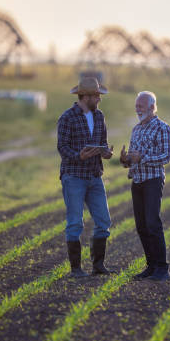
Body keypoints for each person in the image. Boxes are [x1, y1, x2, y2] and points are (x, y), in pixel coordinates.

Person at [57, 76, 114, 278]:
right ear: (86, 96)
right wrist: (78, 155)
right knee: (75, 223)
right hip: (74, 176)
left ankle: (98, 266)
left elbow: (103, 142)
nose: (99, 99)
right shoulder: (67, 117)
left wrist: (106, 153)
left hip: (95, 176)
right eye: (97, 96)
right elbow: (62, 147)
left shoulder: (99, 117)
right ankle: (76, 269)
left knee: (103, 221)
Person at [120, 91, 170, 282]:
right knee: (141, 226)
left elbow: (166, 157)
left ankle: (162, 267)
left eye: (140, 106)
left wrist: (142, 158)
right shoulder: (136, 129)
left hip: (153, 180)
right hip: (137, 180)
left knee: (152, 223)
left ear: (152, 107)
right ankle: (151, 265)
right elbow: (133, 159)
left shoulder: (162, 128)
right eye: (136, 105)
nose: (137, 109)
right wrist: (126, 160)